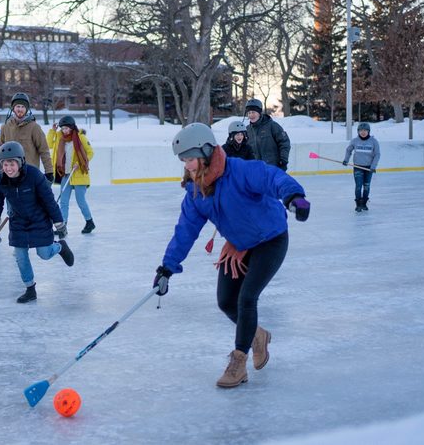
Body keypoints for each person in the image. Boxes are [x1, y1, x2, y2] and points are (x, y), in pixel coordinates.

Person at [152, 123, 310, 388]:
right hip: (238, 246)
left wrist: (294, 196)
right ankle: (257, 335)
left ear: (205, 151)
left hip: (270, 239)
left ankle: (238, 363)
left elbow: (272, 177)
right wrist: (167, 268)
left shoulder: (240, 171)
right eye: (184, 161)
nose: (188, 166)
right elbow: (185, 231)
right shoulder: (196, 191)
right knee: (226, 302)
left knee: (247, 297)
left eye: (190, 159)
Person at [0, 141, 74, 303]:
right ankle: (30, 288)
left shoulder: (34, 175)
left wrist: (59, 223)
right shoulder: (0, 179)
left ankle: (60, 247)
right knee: (20, 256)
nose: (8, 168)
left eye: (12, 163)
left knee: (44, 254)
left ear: (20, 162)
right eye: (5, 164)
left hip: (39, 220)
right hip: (18, 222)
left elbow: (49, 201)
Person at [47, 115, 95, 233]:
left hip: (79, 174)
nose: (65, 131)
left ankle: (90, 222)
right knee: (63, 201)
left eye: (67, 128)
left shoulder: (80, 137)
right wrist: (52, 131)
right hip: (65, 174)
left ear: (72, 127)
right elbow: (49, 144)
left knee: (80, 200)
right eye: (63, 128)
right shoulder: (59, 137)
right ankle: (63, 227)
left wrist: (80, 162)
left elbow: (90, 152)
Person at [0, 92, 54, 180]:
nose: (20, 109)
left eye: (23, 107)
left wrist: (49, 171)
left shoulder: (34, 127)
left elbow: (44, 150)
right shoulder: (5, 127)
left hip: (29, 174)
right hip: (9, 174)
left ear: (27, 109)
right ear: (13, 108)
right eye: (18, 106)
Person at [343, 122, 381, 212]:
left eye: (365, 130)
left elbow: (377, 154)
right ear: (358, 131)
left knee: (366, 186)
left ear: (368, 131)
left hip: (369, 168)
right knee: (358, 186)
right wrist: (346, 160)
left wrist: (373, 166)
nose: (363, 132)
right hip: (358, 167)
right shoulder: (354, 141)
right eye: (361, 130)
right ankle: (358, 204)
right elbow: (348, 150)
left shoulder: (374, 141)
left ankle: (364, 203)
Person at [244, 98, 290, 170]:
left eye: (253, 112)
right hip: (256, 170)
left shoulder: (272, 126)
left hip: (273, 168)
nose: (251, 115)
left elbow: (284, 142)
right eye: (249, 113)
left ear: (259, 112)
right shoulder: (246, 130)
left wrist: (283, 160)